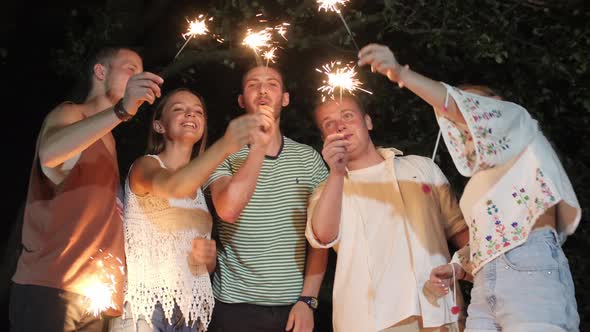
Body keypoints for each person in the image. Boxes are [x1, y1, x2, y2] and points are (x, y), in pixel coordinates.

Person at [357, 43, 581, 331]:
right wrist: (457, 267)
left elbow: (454, 105)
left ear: (495, 104)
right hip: (485, 283)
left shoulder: (518, 121)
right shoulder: (478, 183)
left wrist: (400, 73)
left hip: (530, 266)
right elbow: (485, 237)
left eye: (474, 107)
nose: (466, 121)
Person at [10, 46, 164, 331]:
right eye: (130, 69)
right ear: (100, 72)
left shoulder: (110, 142)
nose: (138, 77)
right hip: (53, 286)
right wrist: (121, 111)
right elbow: (51, 154)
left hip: (95, 295)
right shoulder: (70, 113)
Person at [305, 95, 469, 332]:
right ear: (325, 139)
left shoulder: (422, 168)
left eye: (348, 116)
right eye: (329, 123)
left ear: (368, 122)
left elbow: (462, 234)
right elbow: (323, 236)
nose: (340, 125)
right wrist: (337, 173)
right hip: (369, 322)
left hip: (440, 313)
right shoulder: (326, 191)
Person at [108, 88, 265, 332]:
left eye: (198, 111)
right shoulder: (145, 166)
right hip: (146, 310)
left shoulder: (201, 189)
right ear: (159, 125)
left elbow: (203, 263)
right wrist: (225, 145)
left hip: (191, 314)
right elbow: (173, 186)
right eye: (179, 109)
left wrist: (209, 258)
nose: (190, 114)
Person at [204, 65, 329, 332]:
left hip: (292, 308)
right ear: (241, 100)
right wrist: (258, 145)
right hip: (233, 306)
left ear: (285, 98)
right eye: (253, 84)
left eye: (272, 84)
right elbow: (227, 210)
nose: (262, 90)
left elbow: (320, 240)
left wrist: (308, 301)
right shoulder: (223, 153)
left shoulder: (309, 160)